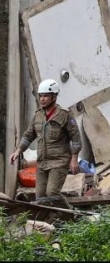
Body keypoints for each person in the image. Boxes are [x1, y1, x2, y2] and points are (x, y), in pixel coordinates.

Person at [9, 79, 82, 209]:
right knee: (41, 198)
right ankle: (50, 222)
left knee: (52, 193)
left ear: (54, 96)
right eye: (41, 96)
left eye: (46, 96)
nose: (42, 99)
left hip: (59, 161)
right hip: (42, 162)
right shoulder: (38, 116)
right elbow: (29, 134)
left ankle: (72, 216)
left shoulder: (65, 115)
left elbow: (76, 138)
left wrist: (74, 159)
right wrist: (18, 150)